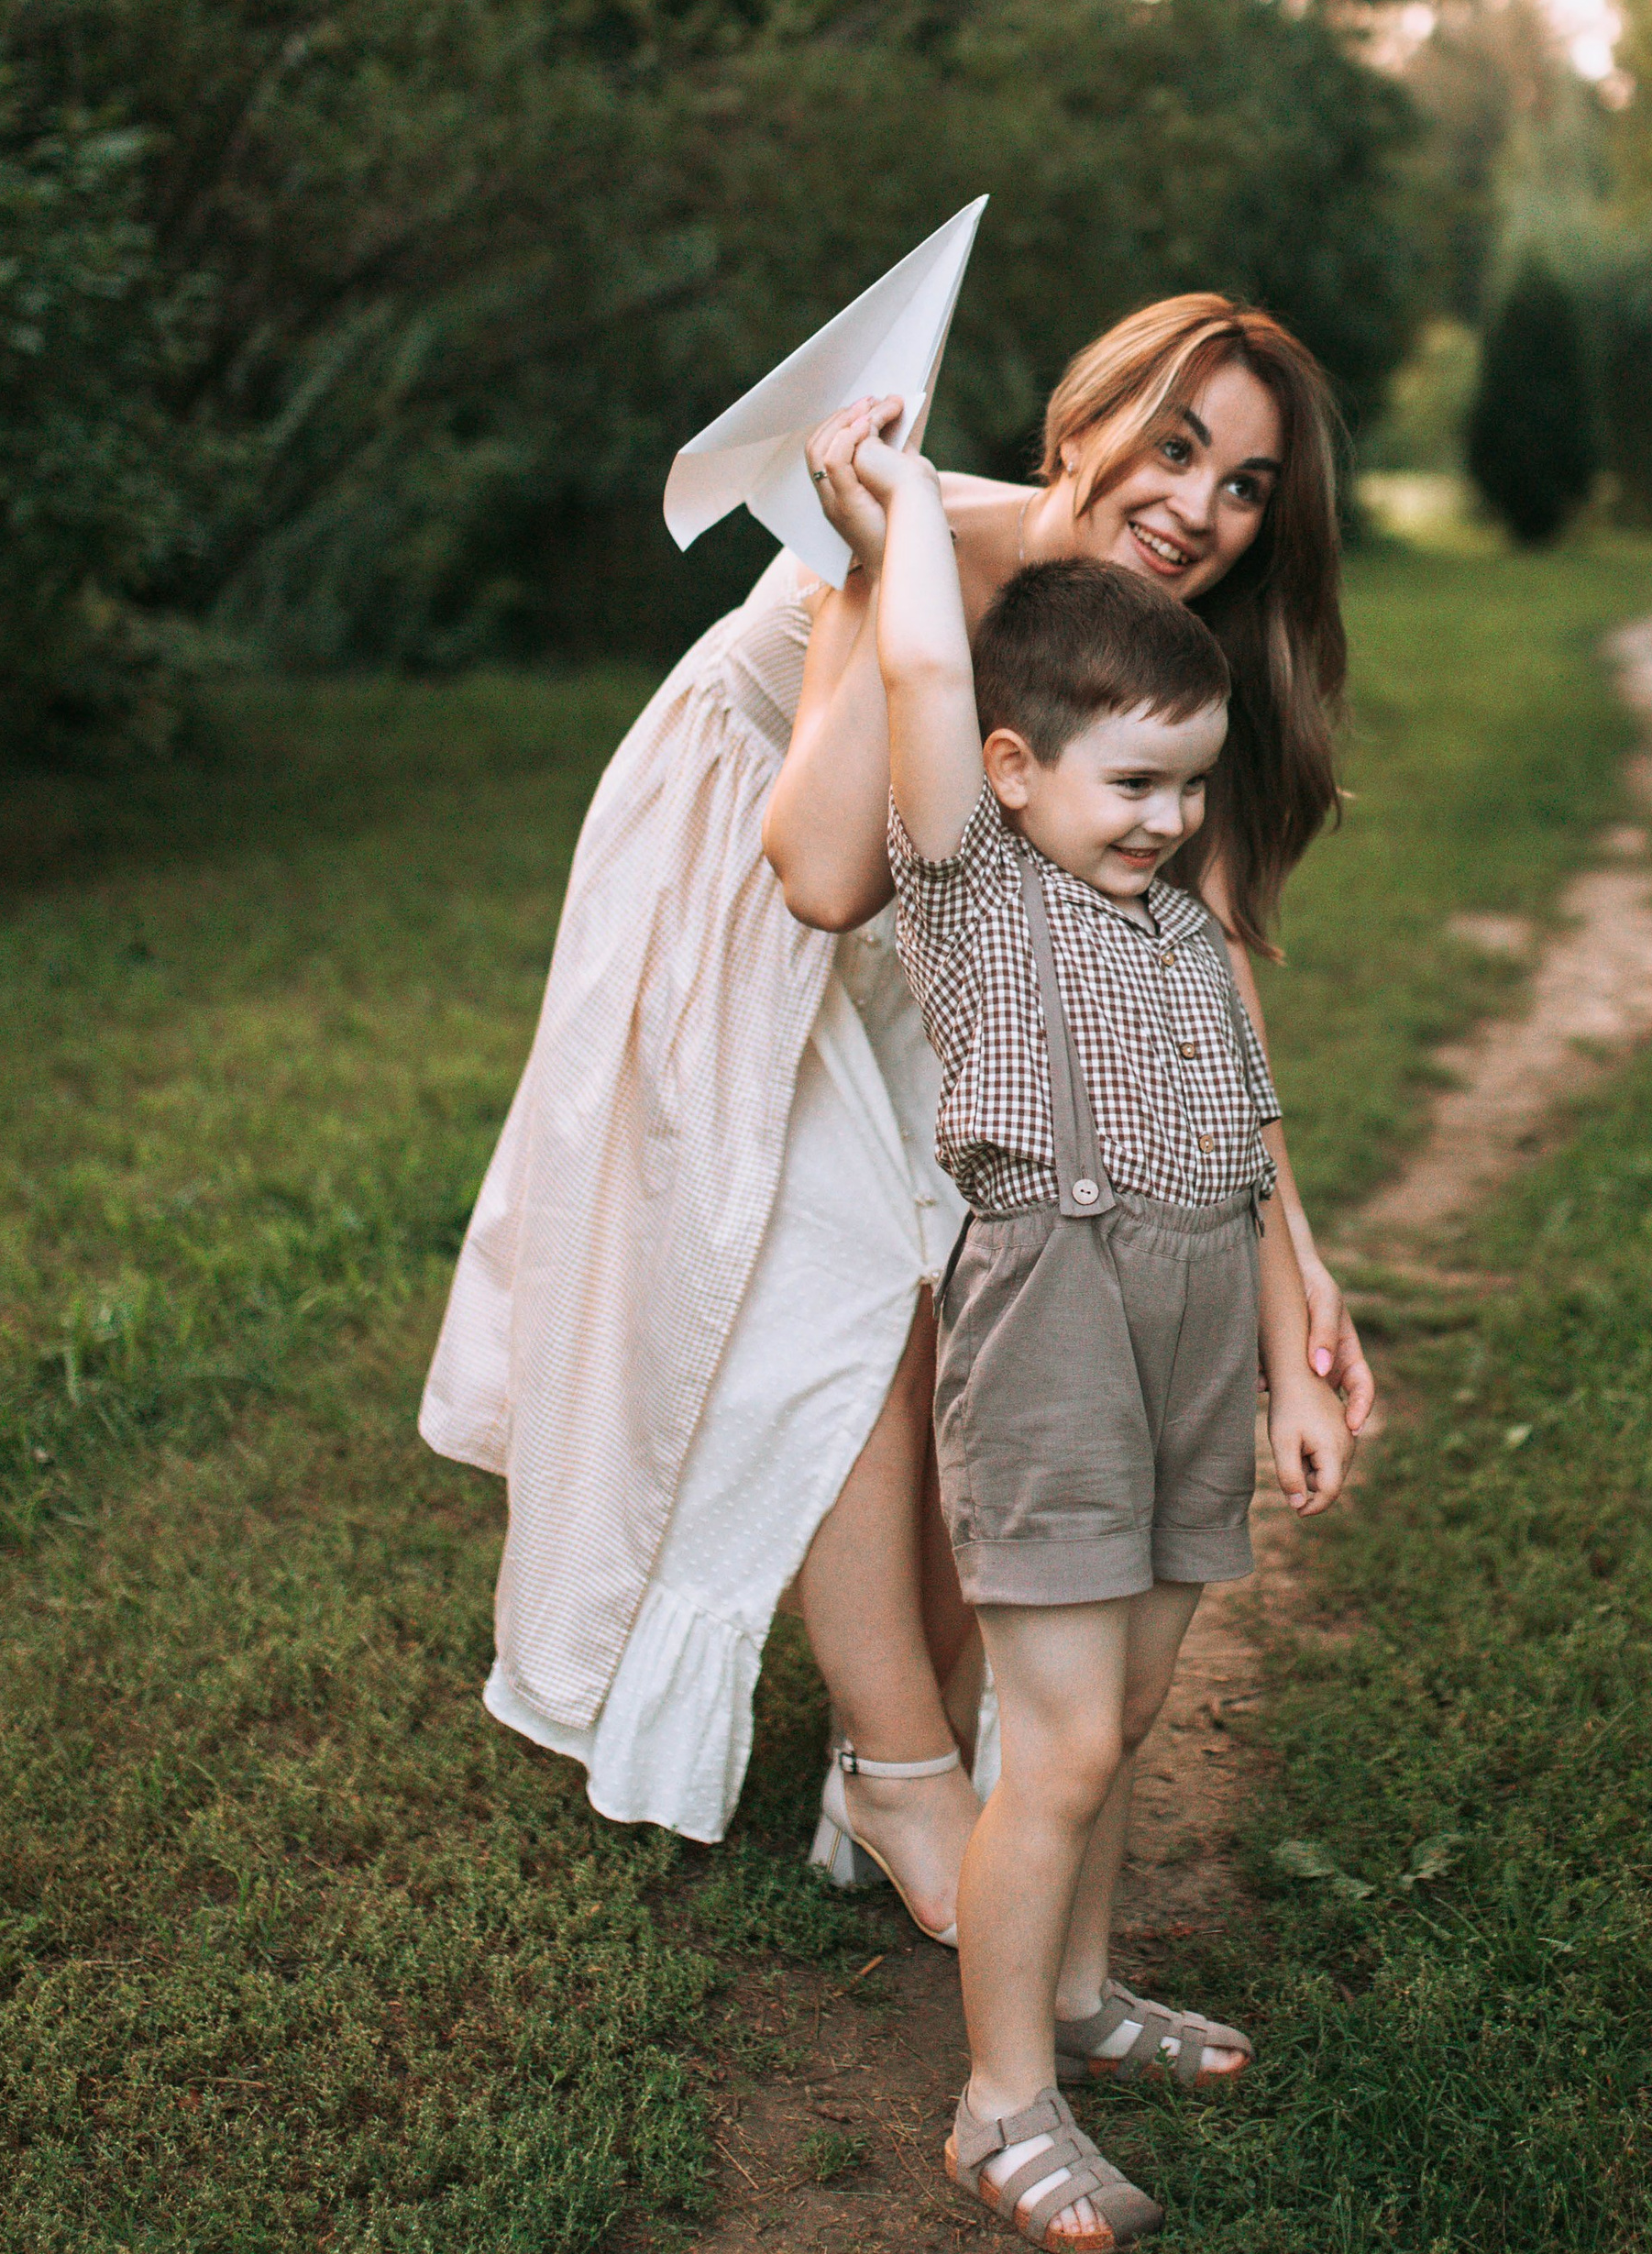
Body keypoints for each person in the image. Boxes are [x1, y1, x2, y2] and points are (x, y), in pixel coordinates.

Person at [420, 294, 1372, 1936]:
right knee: (847, 1281)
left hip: (938, 927)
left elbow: (1199, 977)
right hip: (740, 871)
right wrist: (871, 561)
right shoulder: (908, 530)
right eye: (1176, 444)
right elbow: (823, 873)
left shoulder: (1154, 649)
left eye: (1244, 489)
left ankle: (946, 1712)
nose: (1199, 512)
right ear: (1084, 419)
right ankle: (899, 1771)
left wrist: (1296, 1256)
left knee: (969, 1275)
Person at [854, 424, 1351, 2253]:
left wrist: (1286, 1348)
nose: (1161, 820)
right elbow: (919, 660)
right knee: (1054, 1740)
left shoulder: (1161, 923)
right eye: (1131, 782)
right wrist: (898, 511)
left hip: (1188, 1306)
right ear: (1015, 769)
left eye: (1186, 787)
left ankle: (1076, 1998)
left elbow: (1245, 1136)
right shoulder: (977, 893)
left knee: (1124, 1709)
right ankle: (1000, 2106)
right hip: (1052, 1317)